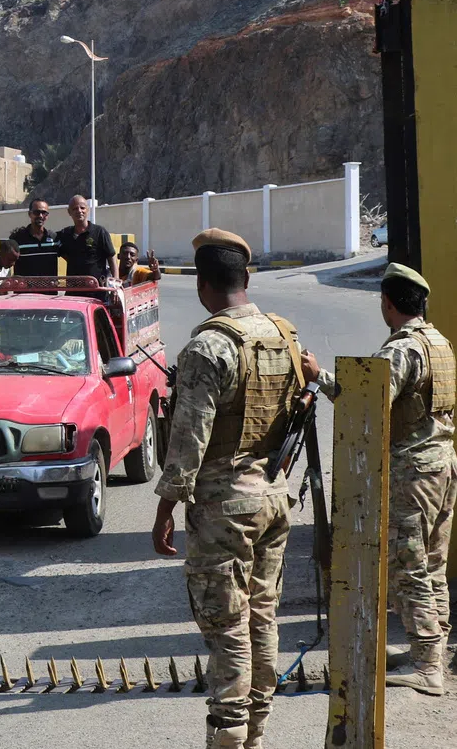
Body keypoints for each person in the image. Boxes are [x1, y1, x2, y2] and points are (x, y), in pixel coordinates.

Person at [151, 230, 302, 749]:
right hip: (274, 498)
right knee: (262, 617)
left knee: (227, 627)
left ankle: (229, 738)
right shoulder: (284, 334)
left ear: (202, 283)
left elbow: (187, 441)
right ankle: (254, 734)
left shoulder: (209, 345)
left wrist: (164, 509)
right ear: (245, 278)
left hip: (225, 507)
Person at [301, 263, 456, 696]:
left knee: (410, 569)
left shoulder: (403, 350)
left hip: (413, 474)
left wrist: (320, 378)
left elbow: (365, 402)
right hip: (443, 465)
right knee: (433, 566)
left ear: (387, 304)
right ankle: (434, 652)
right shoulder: (439, 343)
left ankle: (428, 666)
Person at [56, 194, 118, 284]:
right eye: (75, 208)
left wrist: (115, 283)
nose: (79, 211)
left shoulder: (100, 232)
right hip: (73, 290)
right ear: (69, 212)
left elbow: (111, 257)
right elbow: (62, 253)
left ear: (87, 210)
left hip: (97, 289)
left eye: (82, 208)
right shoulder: (65, 234)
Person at [8, 199, 60, 277]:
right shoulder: (17, 238)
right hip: (25, 289)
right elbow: (6, 263)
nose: (40, 216)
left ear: (47, 216)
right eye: (37, 212)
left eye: (44, 213)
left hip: (49, 289)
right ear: (30, 214)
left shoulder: (55, 238)